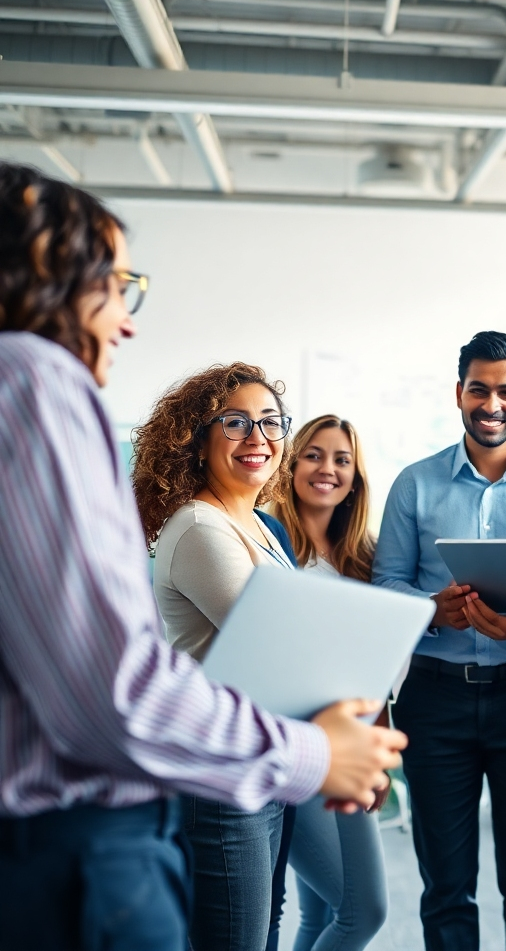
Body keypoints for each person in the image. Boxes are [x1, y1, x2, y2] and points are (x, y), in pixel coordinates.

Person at [0, 164, 405, 951]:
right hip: (71, 844)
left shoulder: (266, 527)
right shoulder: (38, 380)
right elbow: (114, 694)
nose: (126, 321)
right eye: (116, 285)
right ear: (49, 273)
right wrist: (316, 751)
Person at [373, 331, 506, 951]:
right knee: (445, 886)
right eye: (479, 389)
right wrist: (432, 612)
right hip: (434, 701)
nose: (491, 403)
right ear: (459, 393)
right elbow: (388, 581)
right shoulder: (415, 484)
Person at [132, 363, 313, 951]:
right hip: (223, 773)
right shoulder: (199, 527)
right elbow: (279, 640)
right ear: (196, 437)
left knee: (260, 932)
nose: (258, 437)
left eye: (270, 422)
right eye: (235, 422)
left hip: (263, 757)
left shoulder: (257, 523)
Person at [272, 414, 389, 951]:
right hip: (295, 742)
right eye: (315, 454)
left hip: (354, 739)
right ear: (292, 463)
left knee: (318, 914)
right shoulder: (265, 542)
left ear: (356, 477)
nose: (327, 469)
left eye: (342, 459)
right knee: (363, 911)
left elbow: (376, 663)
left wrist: (377, 750)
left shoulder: (365, 558)